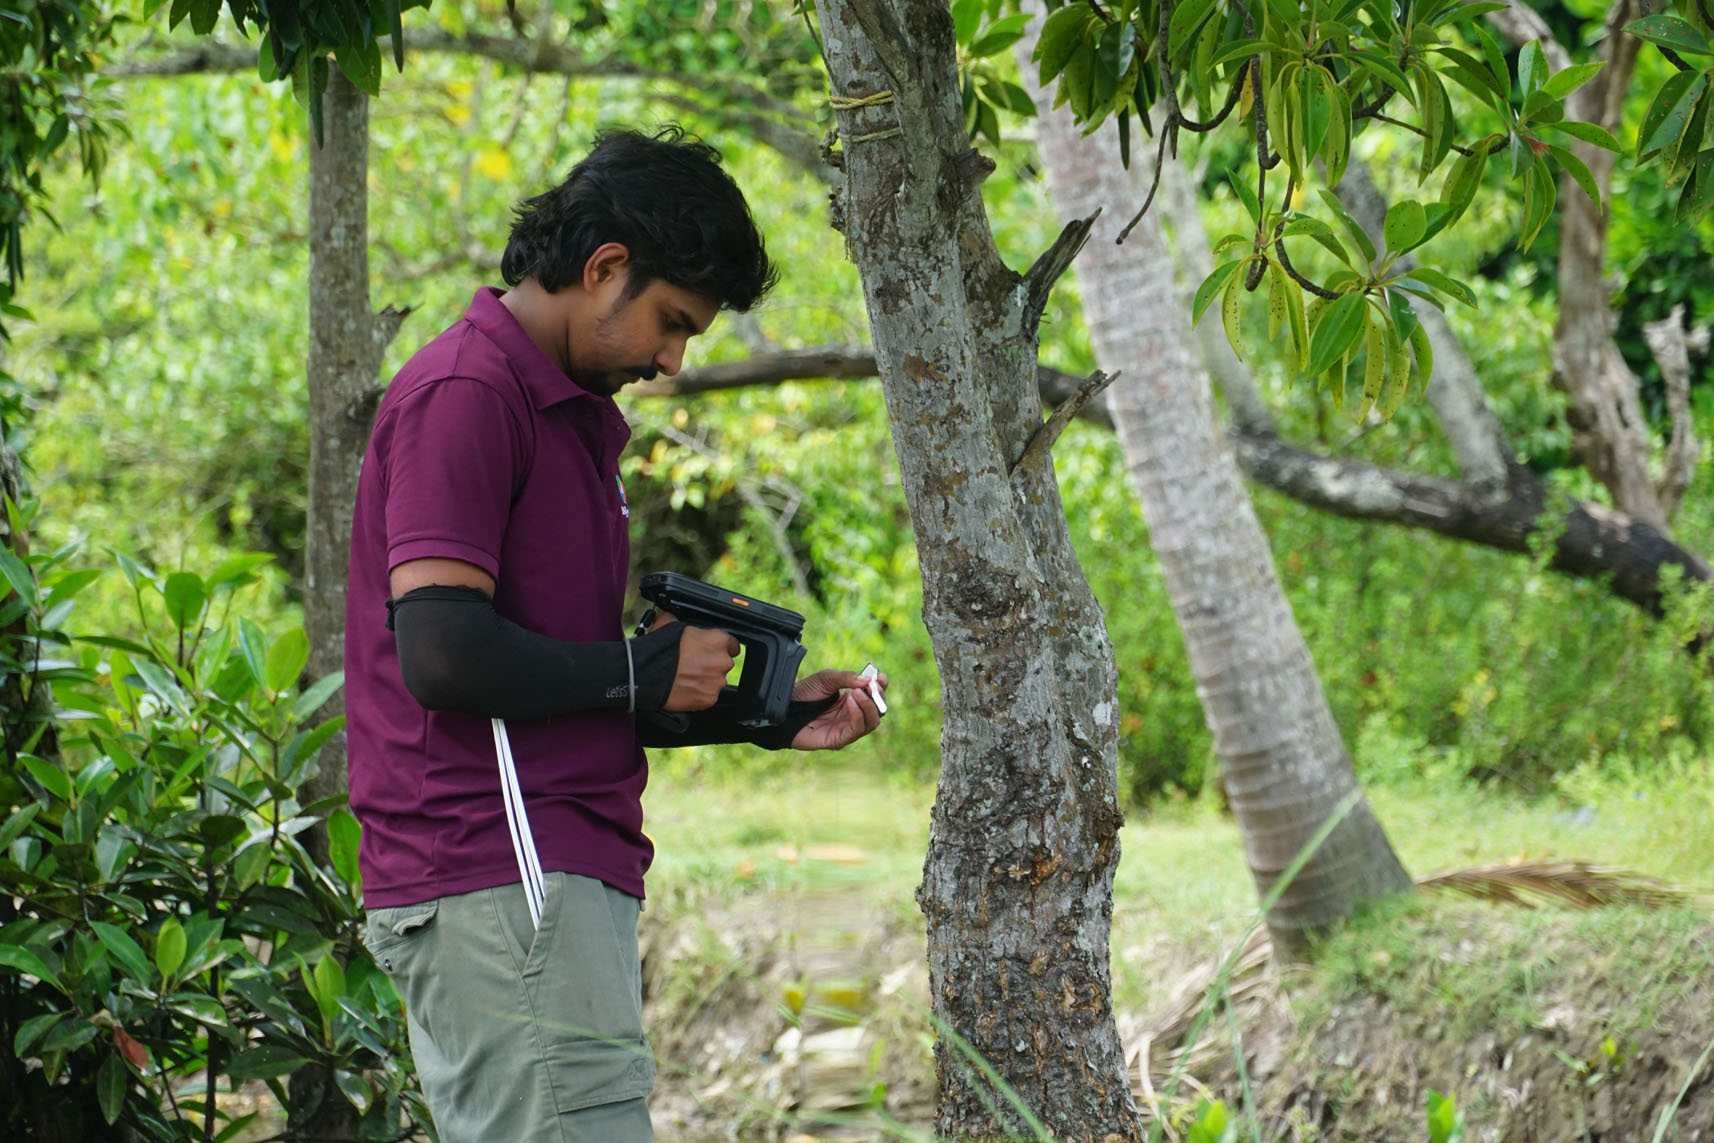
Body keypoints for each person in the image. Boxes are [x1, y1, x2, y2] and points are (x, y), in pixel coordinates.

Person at [344, 126, 887, 1143]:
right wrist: (641, 670)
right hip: (500, 872)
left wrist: (759, 714)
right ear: (603, 269)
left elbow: (560, 685)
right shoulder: (468, 393)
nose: (673, 361)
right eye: (670, 322)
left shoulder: (568, 415)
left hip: (546, 875)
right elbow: (443, 654)